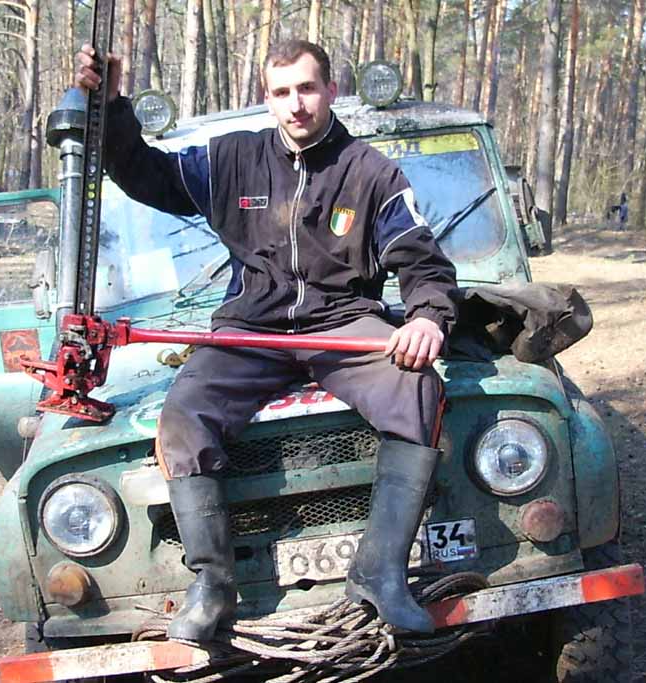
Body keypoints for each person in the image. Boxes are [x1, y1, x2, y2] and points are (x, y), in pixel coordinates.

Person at [76, 40, 458, 642]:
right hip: (251, 329)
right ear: (267, 98)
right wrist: (111, 104)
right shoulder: (231, 160)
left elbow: (421, 260)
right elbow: (142, 172)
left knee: (416, 388)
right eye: (282, 92)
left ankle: (381, 574)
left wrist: (427, 318)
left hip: (342, 325)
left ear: (331, 91)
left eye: (307, 88)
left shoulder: (371, 172)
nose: (296, 104)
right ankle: (212, 584)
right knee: (183, 414)